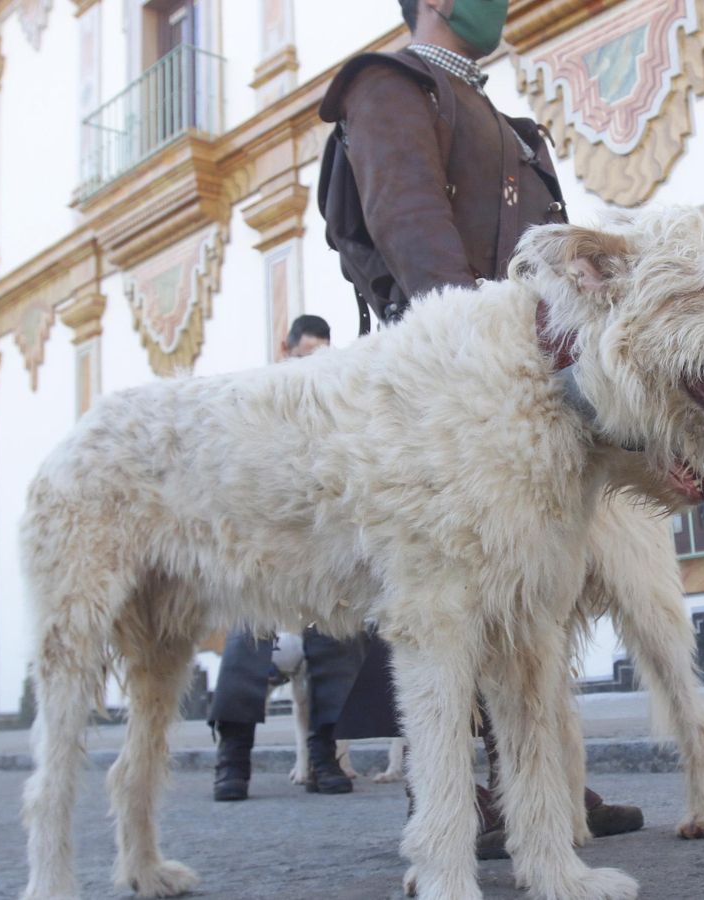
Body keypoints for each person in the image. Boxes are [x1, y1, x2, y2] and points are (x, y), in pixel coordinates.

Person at [315, 0, 644, 855]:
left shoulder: (504, 122)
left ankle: (536, 778)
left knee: (528, 592)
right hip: (450, 383)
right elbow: (413, 234)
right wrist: (478, 362)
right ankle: (453, 797)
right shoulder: (388, 86)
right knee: (449, 595)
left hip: (529, 381)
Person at [210, 315, 367, 802]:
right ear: (287, 351)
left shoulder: (339, 409)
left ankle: (324, 754)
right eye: (304, 357)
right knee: (246, 636)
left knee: (343, 635)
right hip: (266, 563)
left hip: (321, 564)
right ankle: (233, 756)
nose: (312, 368)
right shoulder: (260, 405)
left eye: (322, 357)